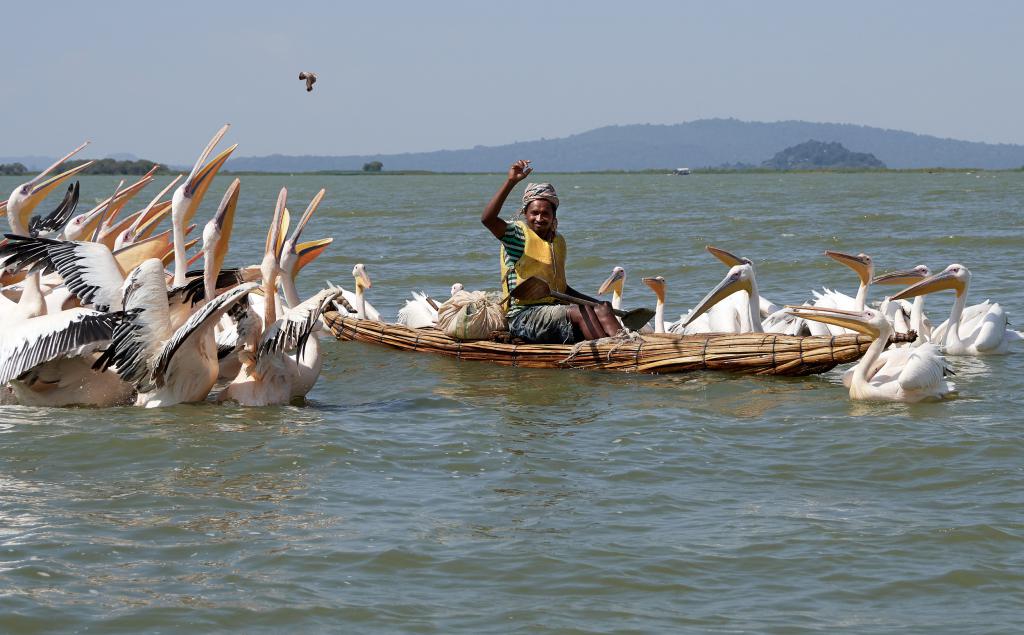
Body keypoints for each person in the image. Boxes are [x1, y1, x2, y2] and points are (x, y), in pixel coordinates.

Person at [481, 159, 621, 343]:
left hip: (553, 311)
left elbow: (561, 289)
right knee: (580, 311)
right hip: (523, 317)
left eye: (545, 213)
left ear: (554, 216)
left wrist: (597, 304)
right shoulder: (516, 236)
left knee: (601, 308)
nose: (539, 218)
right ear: (525, 214)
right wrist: (511, 182)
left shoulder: (558, 242)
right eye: (534, 213)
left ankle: (625, 344)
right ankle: (609, 353)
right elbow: (488, 219)